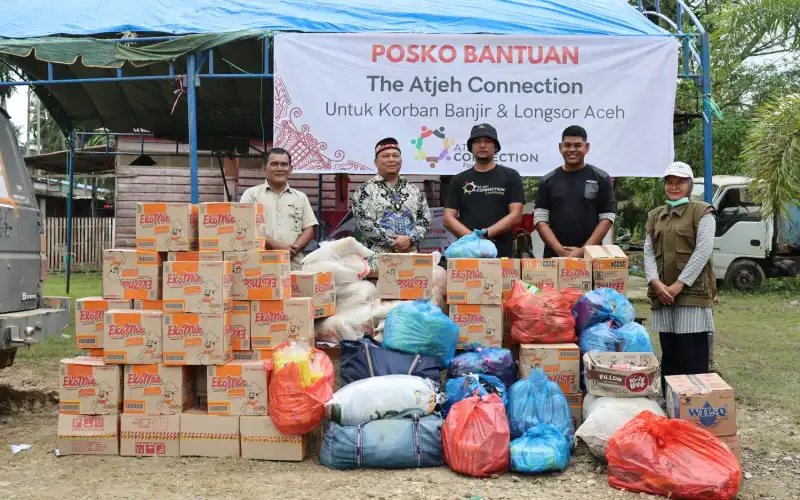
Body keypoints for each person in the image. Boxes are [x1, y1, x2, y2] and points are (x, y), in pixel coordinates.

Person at [644, 161, 716, 387]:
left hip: (691, 294)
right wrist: (656, 283)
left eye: (680, 183)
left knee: (692, 352)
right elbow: (648, 251)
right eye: (670, 182)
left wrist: (679, 285)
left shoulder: (702, 212)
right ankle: (671, 404)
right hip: (663, 293)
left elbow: (703, 251)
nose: (674, 187)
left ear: (689, 185)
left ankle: (695, 404)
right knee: (671, 351)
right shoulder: (655, 215)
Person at [443, 123, 525, 258]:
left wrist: (487, 233)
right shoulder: (459, 179)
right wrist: (475, 240)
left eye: (487, 141)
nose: (482, 145)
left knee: (498, 280)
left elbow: (516, 215)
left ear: (496, 147)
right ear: (471, 148)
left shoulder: (511, 176)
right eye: (477, 142)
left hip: (502, 254)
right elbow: (448, 218)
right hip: (466, 253)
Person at [534, 125, 616, 258]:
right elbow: (540, 219)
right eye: (567, 145)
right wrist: (560, 250)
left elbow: (607, 218)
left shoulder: (601, 178)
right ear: (560, 147)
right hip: (554, 257)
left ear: (586, 147)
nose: (572, 150)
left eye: (577, 145)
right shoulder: (547, 181)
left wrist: (584, 250)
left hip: (591, 258)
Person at [351, 137, 431, 269]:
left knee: (412, 289)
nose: (391, 159)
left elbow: (425, 220)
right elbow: (364, 223)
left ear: (401, 161)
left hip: (411, 259)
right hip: (377, 262)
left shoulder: (414, 190)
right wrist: (394, 242)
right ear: (376, 162)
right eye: (385, 156)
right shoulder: (365, 190)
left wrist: (410, 239)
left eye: (396, 156)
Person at [240, 147, 318, 270]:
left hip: (292, 265)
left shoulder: (300, 197)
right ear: (264, 167)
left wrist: (293, 250)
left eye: (284, 164)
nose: (280, 169)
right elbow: (245, 227)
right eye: (274, 164)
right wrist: (279, 247)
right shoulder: (251, 194)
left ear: (290, 169)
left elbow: (309, 229)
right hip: (259, 266)